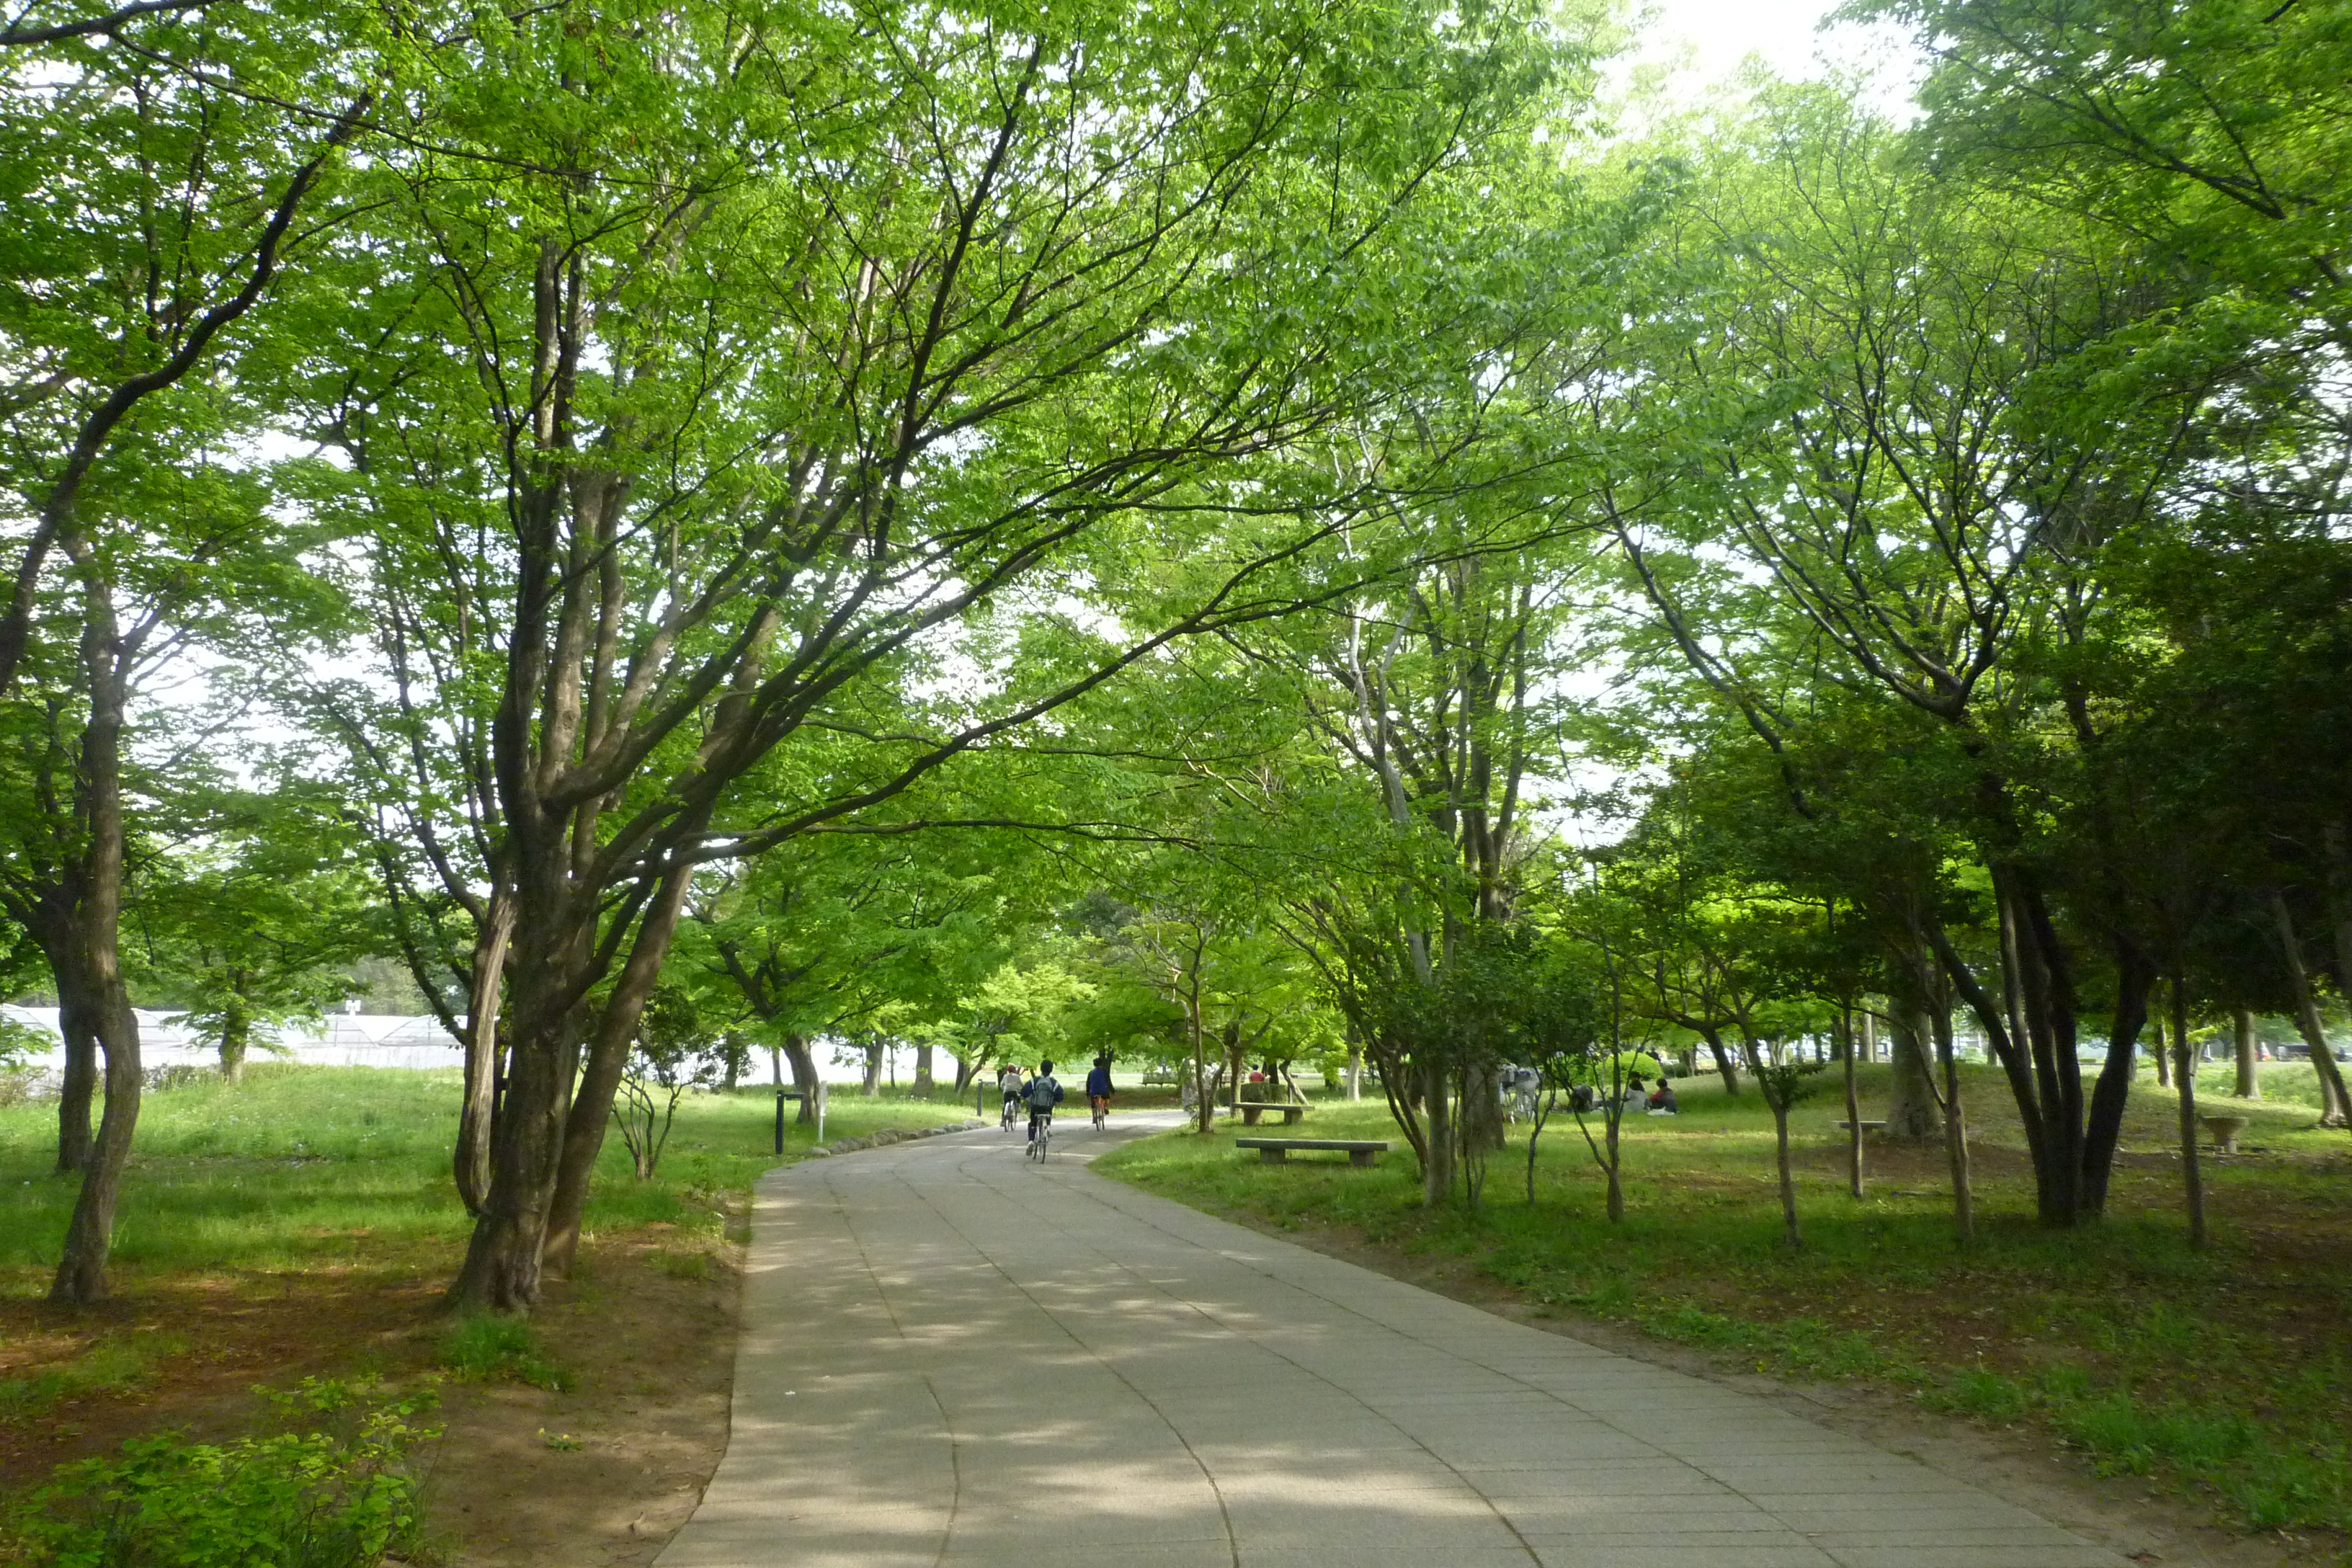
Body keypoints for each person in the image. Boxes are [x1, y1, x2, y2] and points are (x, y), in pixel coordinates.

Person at [1025, 1059, 1064, 1146]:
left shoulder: (1034, 1081)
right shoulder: (1054, 1083)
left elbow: (1025, 1091)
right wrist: (1057, 1100)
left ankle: (1031, 1140)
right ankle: (1047, 1131)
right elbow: (1060, 1096)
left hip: (1035, 1107)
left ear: (1041, 1068)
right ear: (1051, 1069)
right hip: (1047, 1108)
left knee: (1033, 1122)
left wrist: (1024, 1096)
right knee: (1048, 1117)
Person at [1085, 1055, 1114, 1128]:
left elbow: (1088, 1083)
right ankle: (1106, 1106)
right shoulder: (1104, 1072)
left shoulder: (1091, 1073)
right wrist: (1112, 1090)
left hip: (1093, 1091)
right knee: (1107, 1097)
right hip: (1103, 1090)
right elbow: (1108, 1081)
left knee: (1093, 1103)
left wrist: (1088, 1092)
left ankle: (1094, 1116)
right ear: (1101, 1064)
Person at [997, 1060, 1025, 1131]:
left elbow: (1001, 1085)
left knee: (1005, 1105)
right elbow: (1022, 1085)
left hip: (1006, 1092)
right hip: (1013, 1092)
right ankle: (1018, 1107)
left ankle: (1003, 1120)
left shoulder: (1005, 1076)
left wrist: (1004, 1089)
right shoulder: (1017, 1077)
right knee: (1017, 1098)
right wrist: (1022, 1089)